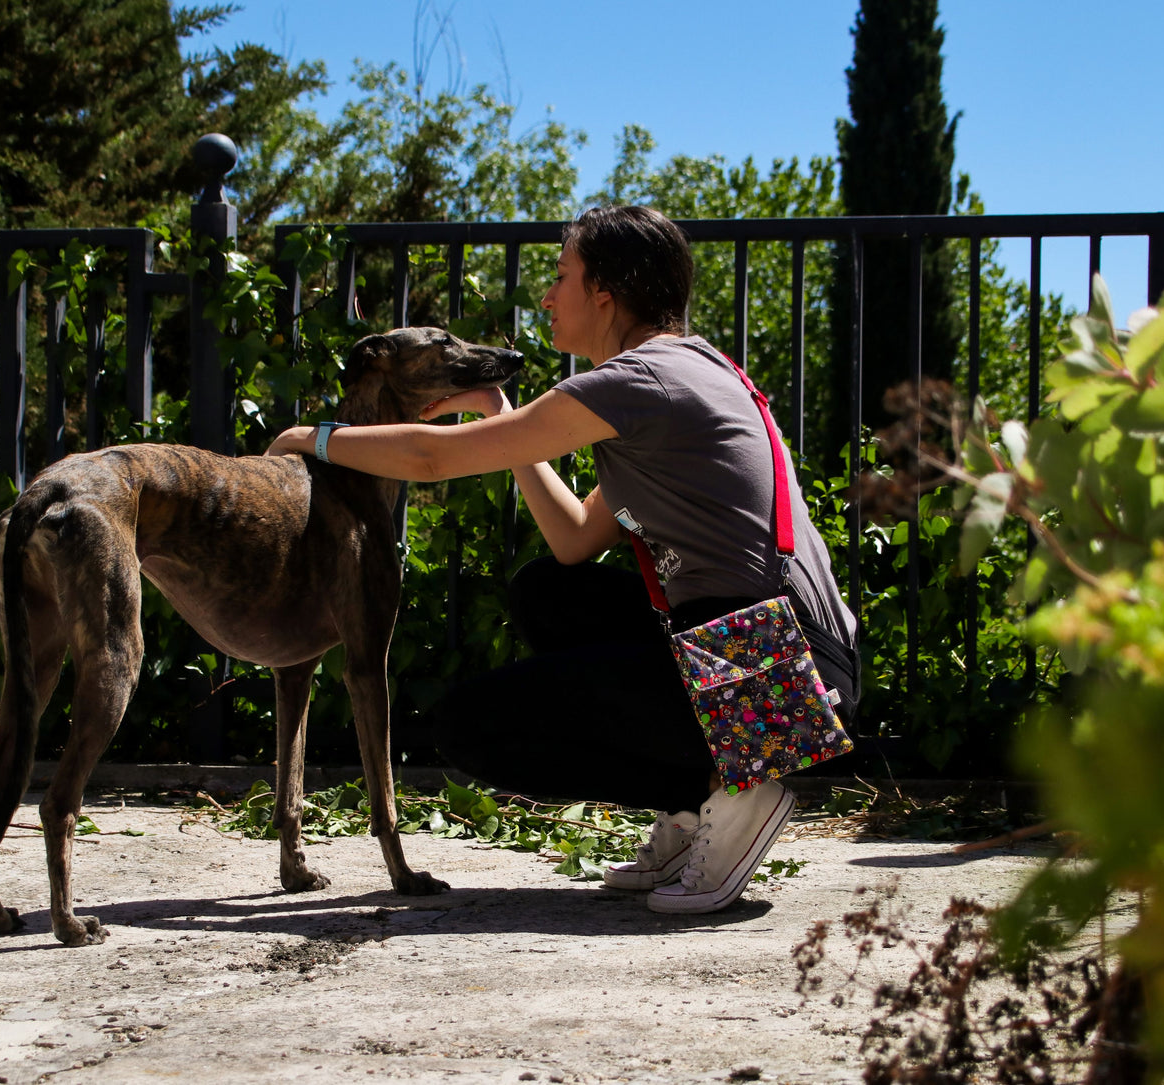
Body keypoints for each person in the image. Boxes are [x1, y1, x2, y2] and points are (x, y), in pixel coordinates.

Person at [267, 205, 858, 914]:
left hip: (775, 686)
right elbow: (574, 535)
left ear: (604, 293)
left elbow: (428, 456)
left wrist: (311, 437)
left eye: (560, 276)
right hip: (792, 665)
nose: (547, 296)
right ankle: (694, 800)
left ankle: (739, 789)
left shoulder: (638, 381)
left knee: (469, 726)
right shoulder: (690, 375)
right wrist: (496, 410)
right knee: (549, 592)